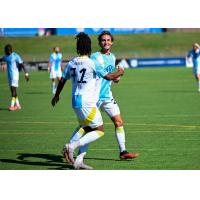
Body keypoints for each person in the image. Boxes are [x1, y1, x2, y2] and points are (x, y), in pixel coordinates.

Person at [51, 32, 124, 169]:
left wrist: (57, 95)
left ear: (78, 47)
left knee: (87, 128)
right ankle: (71, 146)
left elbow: (62, 80)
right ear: (89, 47)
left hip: (75, 102)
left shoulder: (72, 62)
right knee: (99, 130)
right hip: (87, 102)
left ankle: (78, 161)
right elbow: (108, 76)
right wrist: (120, 73)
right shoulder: (92, 63)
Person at [70, 31, 139, 163]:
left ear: (112, 42)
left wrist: (117, 77)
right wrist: (118, 73)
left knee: (119, 122)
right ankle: (75, 152)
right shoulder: (94, 57)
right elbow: (102, 74)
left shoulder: (112, 57)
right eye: (103, 40)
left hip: (107, 96)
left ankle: (123, 151)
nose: (106, 42)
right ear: (99, 43)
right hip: (94, 97)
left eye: (108, 40)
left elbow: (111, 78)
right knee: (88, 128)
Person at [0, 44, 29, 111]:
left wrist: (26, 74)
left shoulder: (15, 56)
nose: (5, 51)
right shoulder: (6, 56)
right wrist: (2, 64)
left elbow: (22, 65)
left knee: (13, 90)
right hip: (9, 76)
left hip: (15, 75)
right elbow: (1, 59)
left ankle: (12, 106)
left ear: (9, 50)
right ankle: (18, 105)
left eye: (6, 50)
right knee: (13, 91)